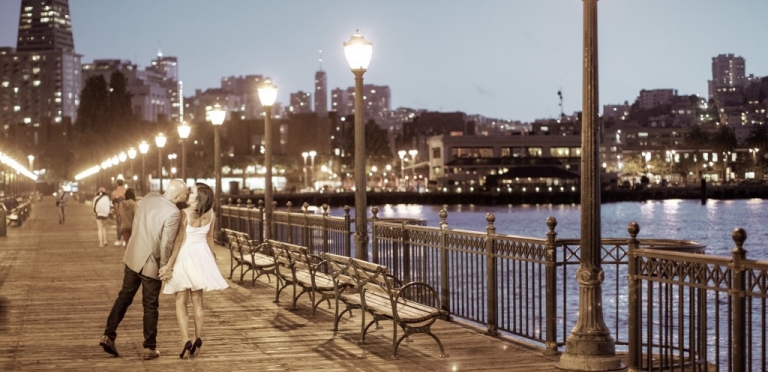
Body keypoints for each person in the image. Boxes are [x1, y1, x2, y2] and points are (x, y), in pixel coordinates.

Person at [99, 179, 188, 360]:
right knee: (150, 305)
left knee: (124, 296)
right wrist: (165, 268)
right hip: (151, 264)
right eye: (186, 193)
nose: (187, 196)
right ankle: (149, 348)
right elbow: (166, 244)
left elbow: (137, 224)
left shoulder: (147, 198)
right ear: (178, 196)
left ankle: (108, 335)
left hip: (133, 255)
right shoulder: (173, 212)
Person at [160, 182, 228, 359]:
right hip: (202, 255)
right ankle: (198, 338)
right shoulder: (211, 214)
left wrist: (169, 264)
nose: (189, 194)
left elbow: (178, 242)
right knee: (198, 300)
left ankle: (186, 340)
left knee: (180, 300)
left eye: (193, 193)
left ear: (199, 197)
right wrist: (212, 259)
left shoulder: (184, 214)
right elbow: (209, 238)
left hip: (185, 255)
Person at [111, 179, 127, 246]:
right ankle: (125, 240)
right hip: (125, 211)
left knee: (118, 225)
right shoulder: (126, 191)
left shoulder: (114, 192)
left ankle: (118, 240)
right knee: (125, 225)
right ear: (123, 183)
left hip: (117, 210)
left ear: (117, 184)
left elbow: (113, 201)